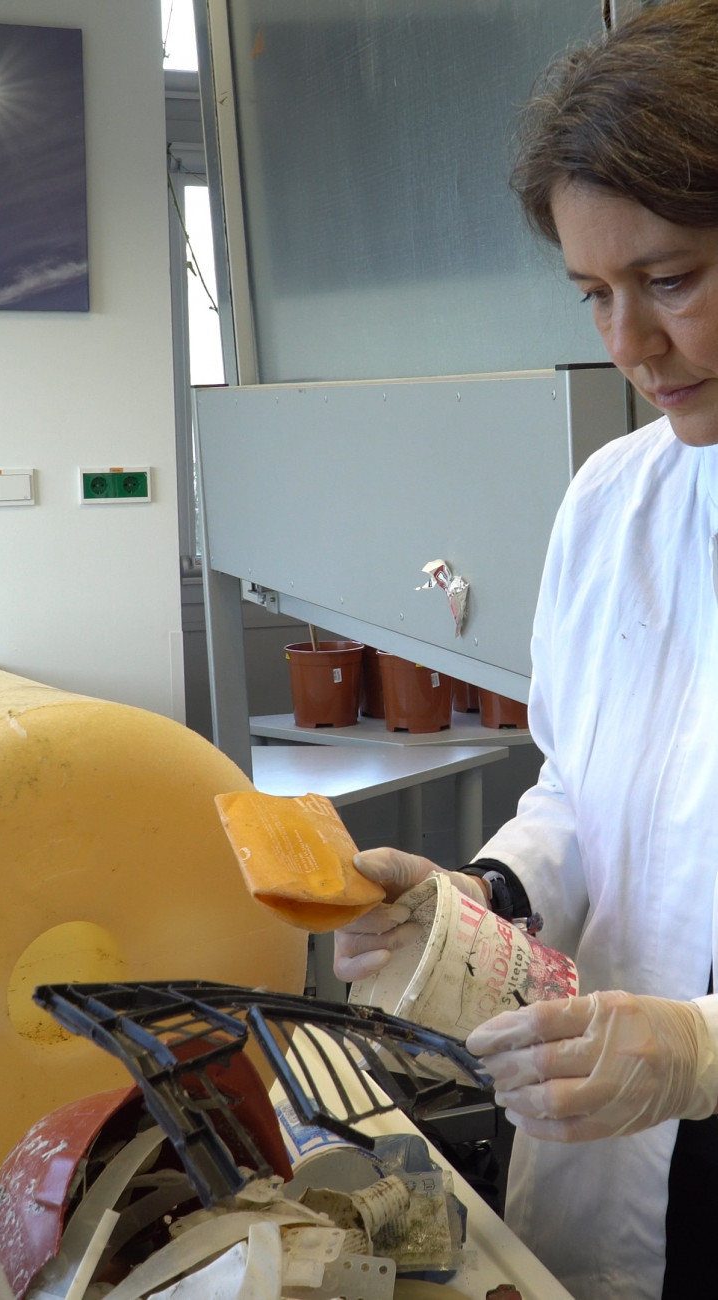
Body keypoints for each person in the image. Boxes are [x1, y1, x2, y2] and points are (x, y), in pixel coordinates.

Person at [334, 3, 718, 1297]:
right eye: (593, 294)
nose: (630, 345)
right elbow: (581, 784)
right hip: (603, 1139)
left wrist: (706, 1051)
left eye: (671, 279)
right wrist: (479, 900)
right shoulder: (617, 500)